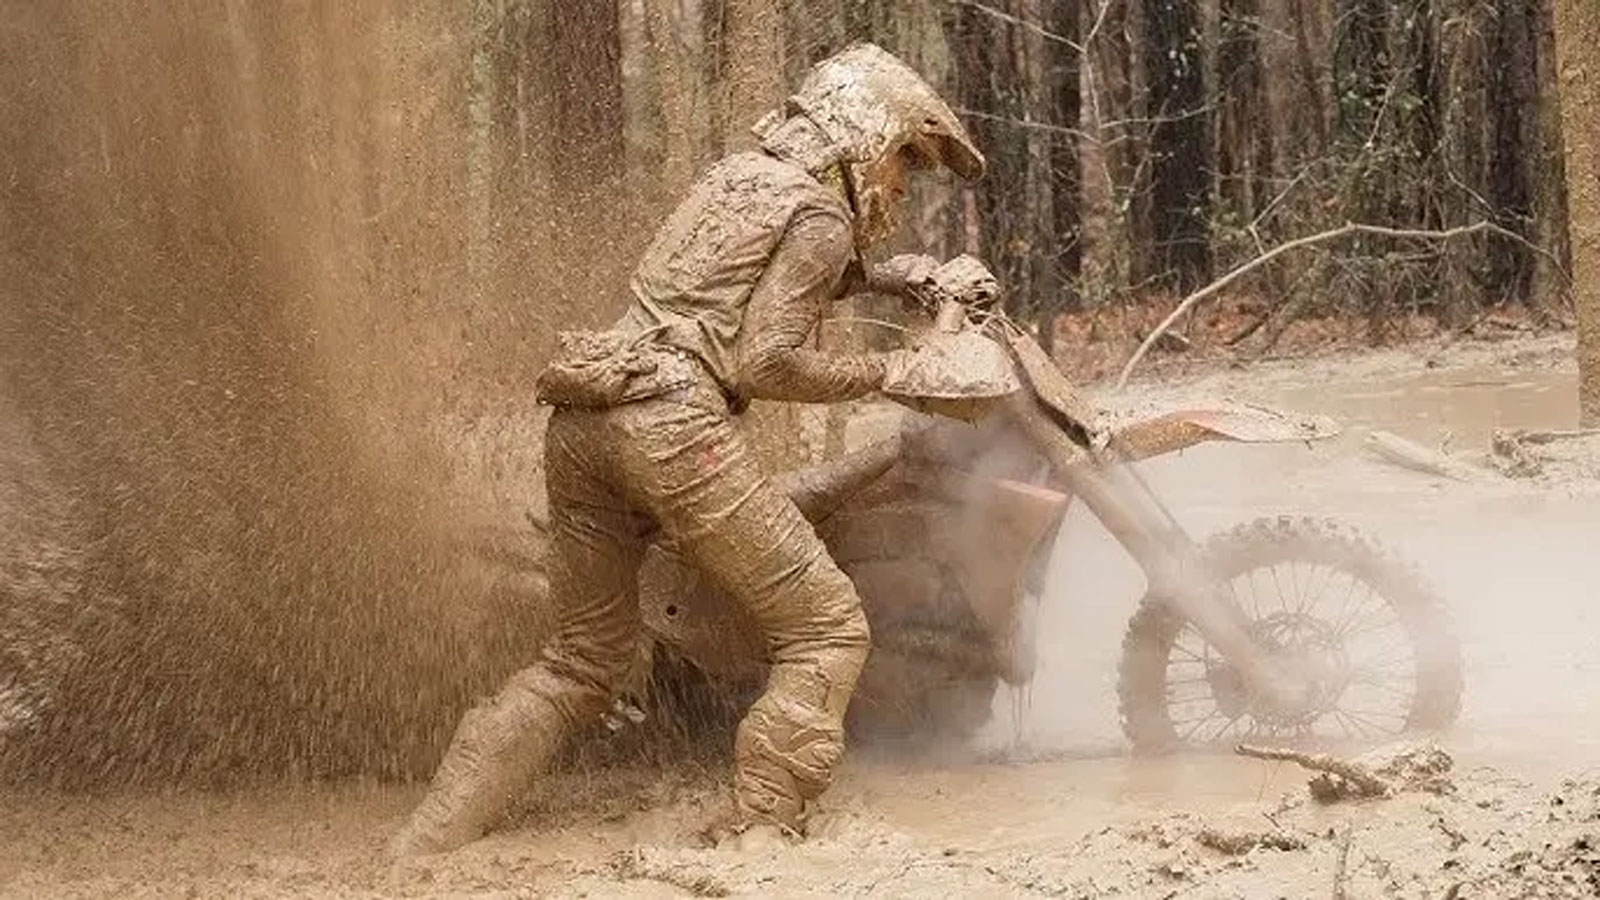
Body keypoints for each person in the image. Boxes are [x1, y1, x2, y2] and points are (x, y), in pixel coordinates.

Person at [391, 41, 996, 857]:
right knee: (826, 627)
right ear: (863, 138)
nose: (896, 187)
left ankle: (425, 841)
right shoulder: (818, 214)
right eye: (901, 163)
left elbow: (738, 279)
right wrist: (895, 367)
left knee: (580, 662)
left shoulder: (735, 180)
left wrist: (897, 278)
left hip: (582, 418)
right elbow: (764, 361)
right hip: (672, 426)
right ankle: (761, 836)